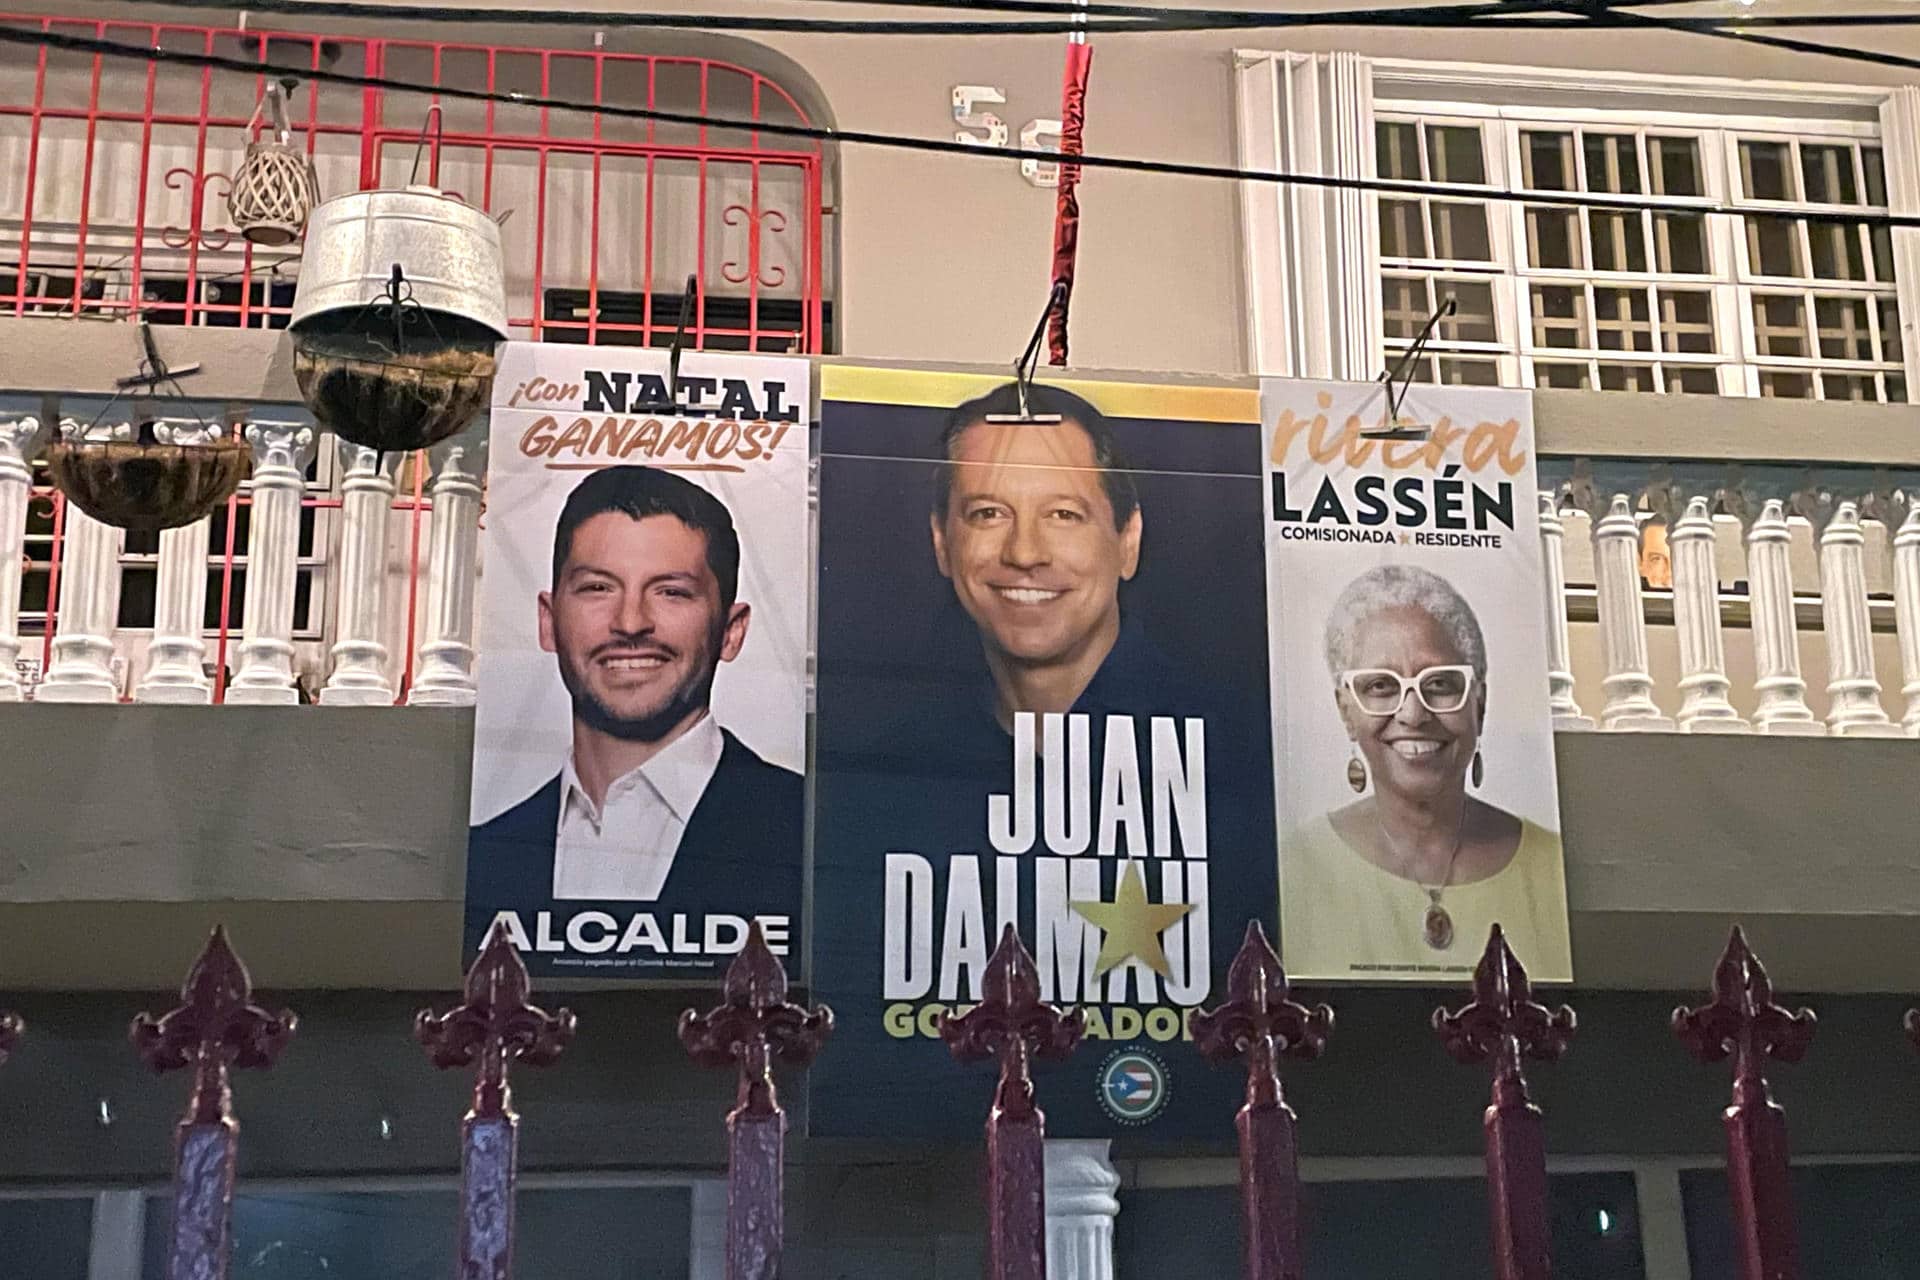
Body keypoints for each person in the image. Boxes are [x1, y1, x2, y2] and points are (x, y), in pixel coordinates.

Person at [467, 465, 801, 909]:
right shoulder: (490, 855)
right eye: (598, 588)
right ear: (548, 623)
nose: (630, 623)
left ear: (731, 631)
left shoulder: (806, 831)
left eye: (672, 592)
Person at [1282, 564, 1567, 975]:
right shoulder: (1296, 866)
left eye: (1440, 684)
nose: (1413, 714)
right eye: (1380, 686)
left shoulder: (1547, 864)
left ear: (1479, 704)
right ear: (1346, 710)